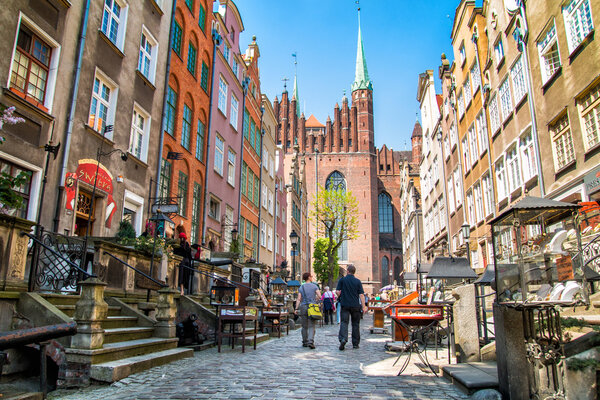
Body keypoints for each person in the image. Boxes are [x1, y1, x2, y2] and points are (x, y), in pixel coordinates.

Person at [336, 265, 368, 350]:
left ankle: (343, 339)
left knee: (344, 322)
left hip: (345, 305)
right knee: (355, 324)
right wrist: (364, 306)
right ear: (354, 272)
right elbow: (361, 295)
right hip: (355, 306)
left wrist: (341, 295)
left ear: (347, 271)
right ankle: (355, 343)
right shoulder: (357, 281)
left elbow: (337, 292)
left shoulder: (342, 280)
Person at [294, 272, 321, 349]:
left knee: (304, 326)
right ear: (309, 277)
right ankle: (310, 341)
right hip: (312, 307)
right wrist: (315, 299)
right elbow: (319, 296)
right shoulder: (314, 286)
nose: (312, 277)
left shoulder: (301, 287)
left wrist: (296, 308)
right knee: (312, 325)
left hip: (303, 307)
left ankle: (304, 341)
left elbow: (299, 299)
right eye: (311, 276)